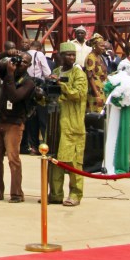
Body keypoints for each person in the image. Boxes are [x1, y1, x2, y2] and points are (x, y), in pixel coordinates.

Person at [0, 49, 35, 203]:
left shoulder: (28, 82)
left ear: (29, 66)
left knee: (13, 159)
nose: (21, 63)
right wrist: (6, 53)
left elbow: (14, 96)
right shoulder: (7, 72)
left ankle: (16, 194)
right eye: (19, 60)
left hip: (14, 123)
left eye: (25, 62)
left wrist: (10, 75)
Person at [48, 42, 88, 206]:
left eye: (73, 55)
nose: (71, 57)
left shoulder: (78, 74)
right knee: (54, 160)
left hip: (72, 124)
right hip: (55, 122)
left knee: (73, 161)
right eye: (67, 55)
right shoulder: (56, 72)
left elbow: (78, 94)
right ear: (60, 56)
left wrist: (61, 84)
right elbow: (50, 95)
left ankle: (75, 194)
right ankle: (55, 194)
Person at [84, 34, 108, 111]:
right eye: (101, 46)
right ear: (94, 46)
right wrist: (97, 94)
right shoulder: (91, 57)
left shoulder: (99, 57)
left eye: (104, 46)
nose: (103, 48)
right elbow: (90, 77)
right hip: (95, 92)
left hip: (102, 89)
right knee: (96, 114)